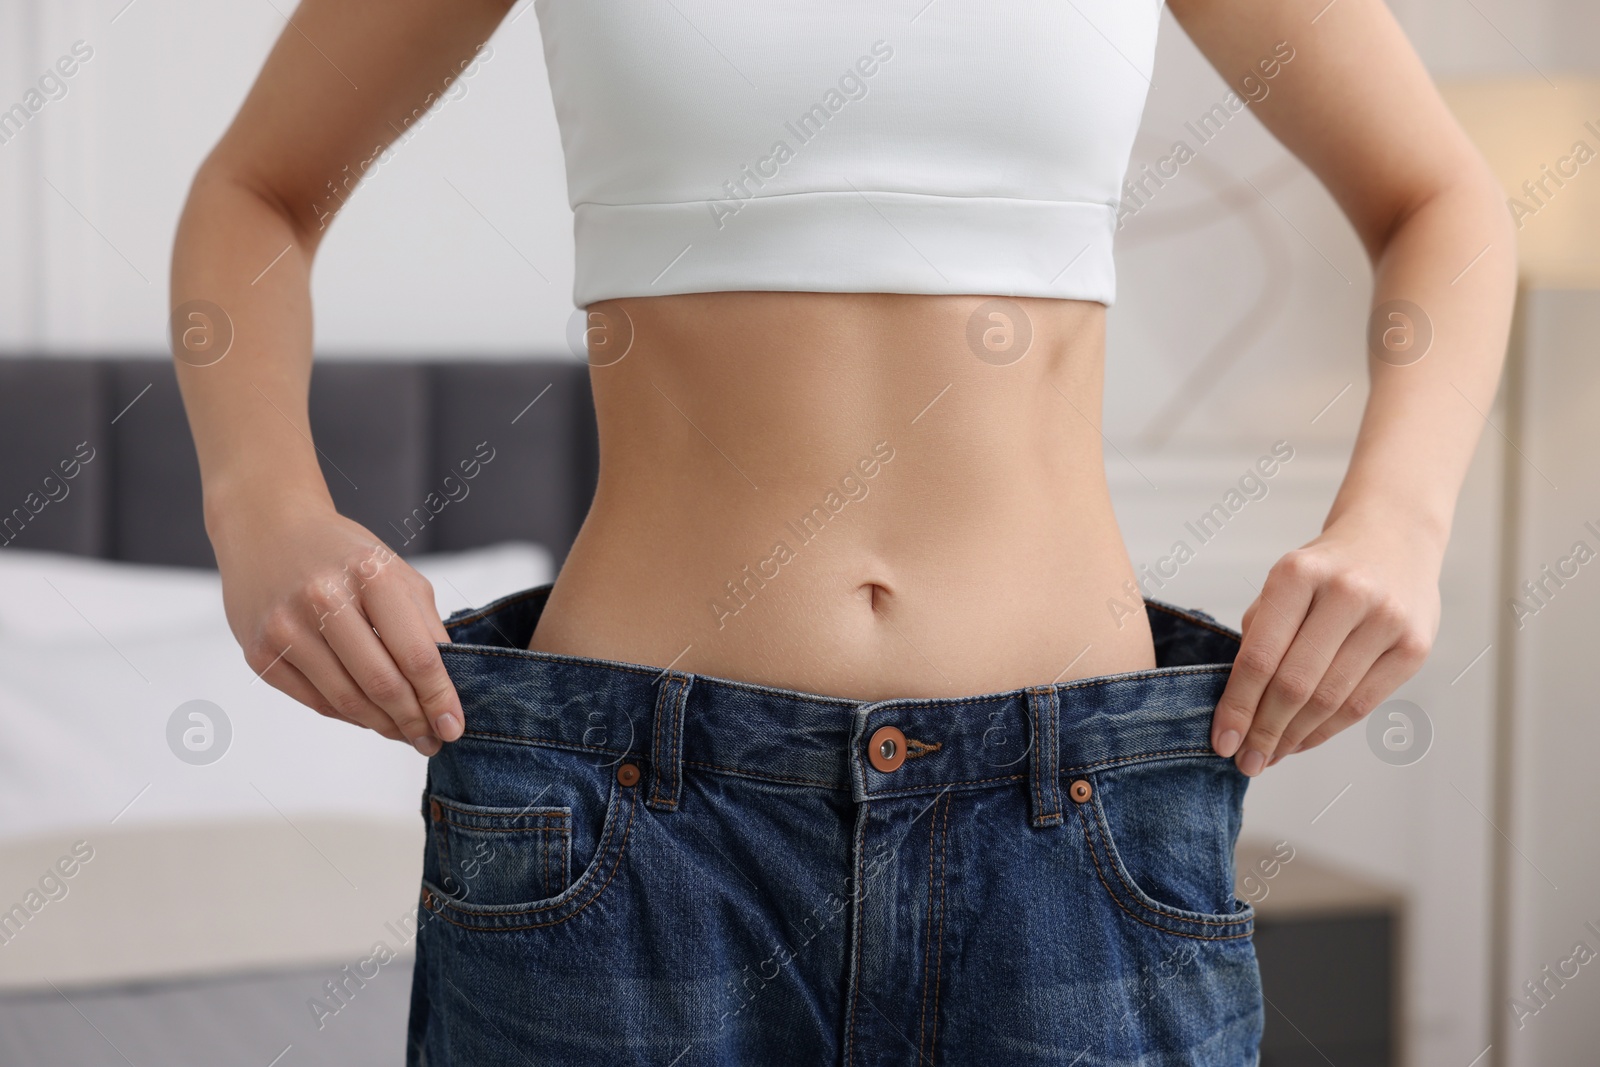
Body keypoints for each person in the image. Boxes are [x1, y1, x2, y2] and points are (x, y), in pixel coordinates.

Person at [171, 0, 1514, 1062]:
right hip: (625, 838)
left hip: (1076, 826)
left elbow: (1440, 203)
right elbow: (260, 188)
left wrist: (1399, 519)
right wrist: (263, 509)